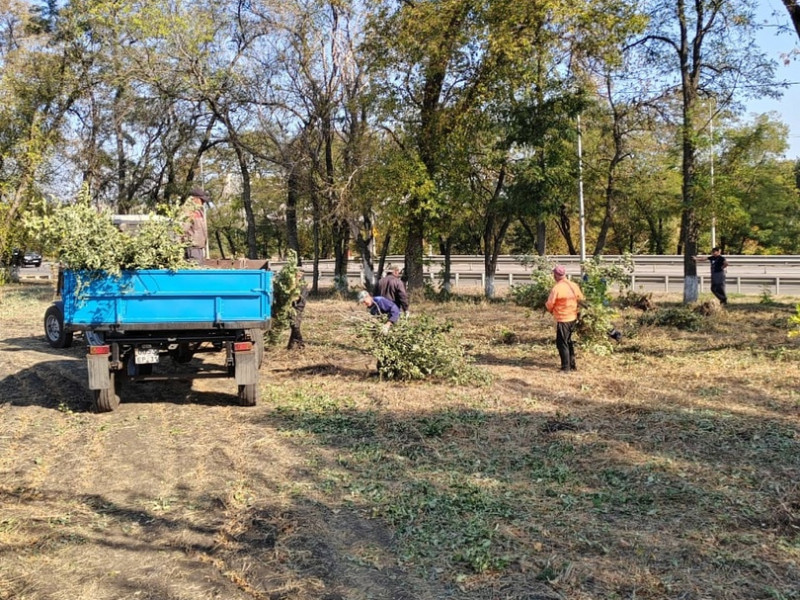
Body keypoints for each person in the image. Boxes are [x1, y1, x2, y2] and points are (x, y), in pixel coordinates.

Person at [545, 265, 585, 372]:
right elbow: (581, 299)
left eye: (554, 274)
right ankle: (572, 365)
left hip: (563, 319)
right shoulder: (573, 285)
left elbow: (550, 304)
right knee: (568, 341)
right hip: (573, 317)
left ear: (556, 276)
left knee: (561, 344)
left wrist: (550, 310)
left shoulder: (557, 288)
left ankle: (565, 368)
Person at [183, 188, 210, 262]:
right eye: (202, 200)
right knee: (195, 271)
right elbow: (182, 230)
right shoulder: (188, 212)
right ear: (195, 199)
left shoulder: (199, 212)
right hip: (192, 248)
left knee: (200, 270)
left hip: (199, 248)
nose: (203, 202)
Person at [287, 271, 309, 350]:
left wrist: (294, 299)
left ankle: (301, 343)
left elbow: (301, 298)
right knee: (293, 326)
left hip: (298, 308)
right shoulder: (293, 285)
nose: (297, 277)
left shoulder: (303, 286)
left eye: (299, 276)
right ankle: (290, 346)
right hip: (292, 308)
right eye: (296, 275)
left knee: (295, 326)